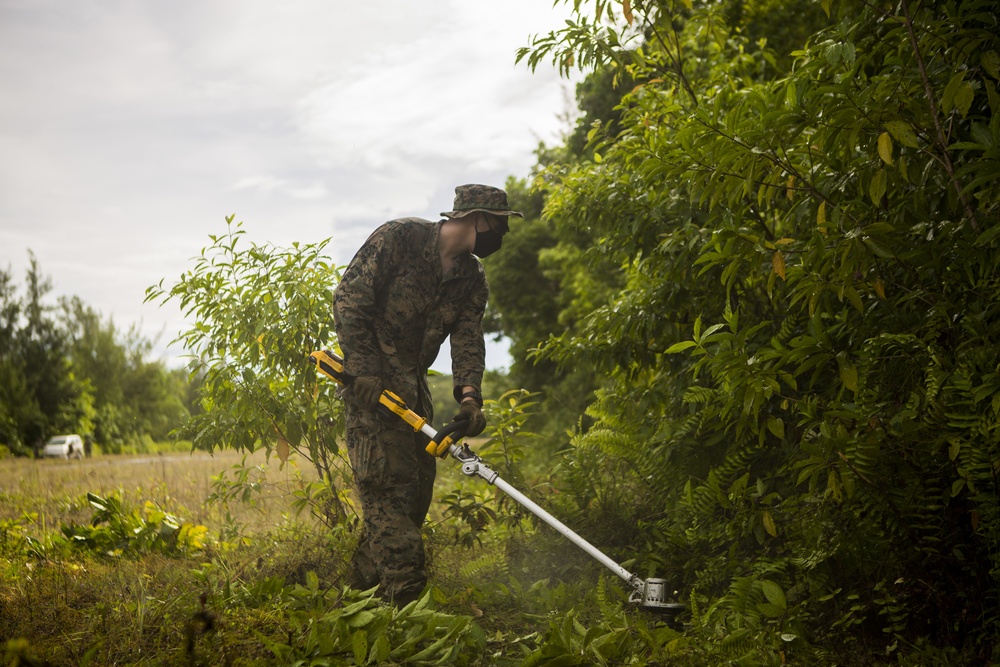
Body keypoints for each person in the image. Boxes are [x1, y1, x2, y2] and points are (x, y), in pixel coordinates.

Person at [333, 183, 520, 606]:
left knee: (413, 498)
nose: (503, 236)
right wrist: (363, 366)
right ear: (475, 219)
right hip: (372, 394)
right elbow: (349, 300)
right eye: (501, 226)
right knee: (387, 490)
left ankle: (355, 600)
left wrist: (470, 397)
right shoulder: (399, 239)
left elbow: (468, 338)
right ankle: (407, 605)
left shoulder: (471, 278)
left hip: (414, 397)